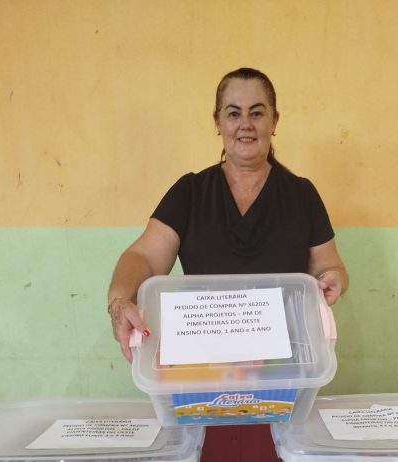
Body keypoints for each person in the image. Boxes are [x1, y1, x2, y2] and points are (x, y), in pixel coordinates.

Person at [107, 67, 349, 462]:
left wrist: (332, 278)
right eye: (233, 113)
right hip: (201, 378)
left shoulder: (301, 195)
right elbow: (143, 257)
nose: (245, 124)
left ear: (274, 120)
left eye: (257, 112)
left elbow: (329, 265)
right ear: (217, 122)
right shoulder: (190, 192)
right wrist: (119, 302)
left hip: (281, 377)